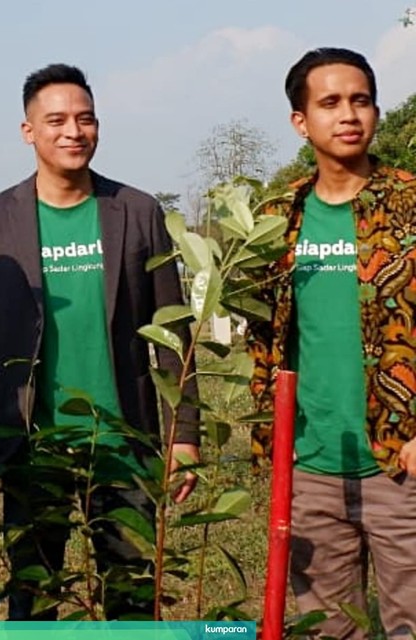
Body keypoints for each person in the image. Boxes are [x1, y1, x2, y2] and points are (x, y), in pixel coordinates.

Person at [0, 63, 200, 620]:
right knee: (34, 600)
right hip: (33, 449)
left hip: (123, 444)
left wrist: (183, 434)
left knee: (133, 599)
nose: (73, 132)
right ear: (28, 131)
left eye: (85, 119)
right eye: (57, 120)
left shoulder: (136, 212)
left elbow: (172, 333)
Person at [247, 48, 416, 638]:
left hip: (401, 461)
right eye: (330, 103)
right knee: (327, 629)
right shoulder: (276, 220)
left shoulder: (410, 205)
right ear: (301, 120)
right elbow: (261, 338)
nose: (349, 114)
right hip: (310, 465)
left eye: (361, 100)